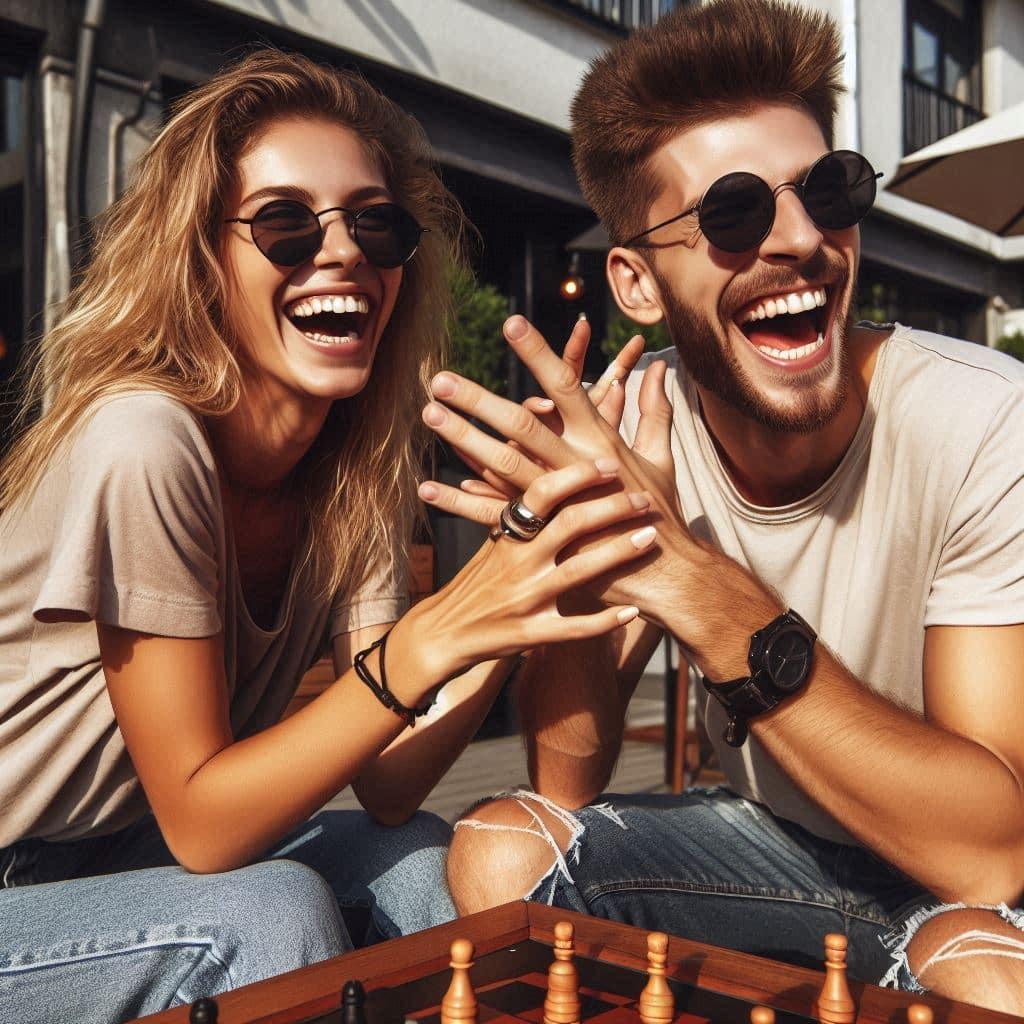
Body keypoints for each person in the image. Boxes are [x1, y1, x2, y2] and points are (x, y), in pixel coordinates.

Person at [0, 50, 660, 1023]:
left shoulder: (352, 473)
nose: (342, 251)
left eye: (375, 224)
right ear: (199, 258)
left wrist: (525, 576)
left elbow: (390, 780)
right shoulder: (144, 439)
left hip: (127, 853)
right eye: (284, 224)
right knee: (269, 911)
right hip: (28, 879)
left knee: (417, 853)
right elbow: (205, 822)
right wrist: (441, 631)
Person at [415, 0, 1024, 1014]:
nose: (801, 240)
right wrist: (587, 531)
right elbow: (563, 778)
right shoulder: (636, 425)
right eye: (736, 213)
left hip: (968, 882)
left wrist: (699, 590)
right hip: (778, 852)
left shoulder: (980, 420)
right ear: (638, 284)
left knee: (982, 975)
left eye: (829, 192)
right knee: (499, 851)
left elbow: (991, 850)